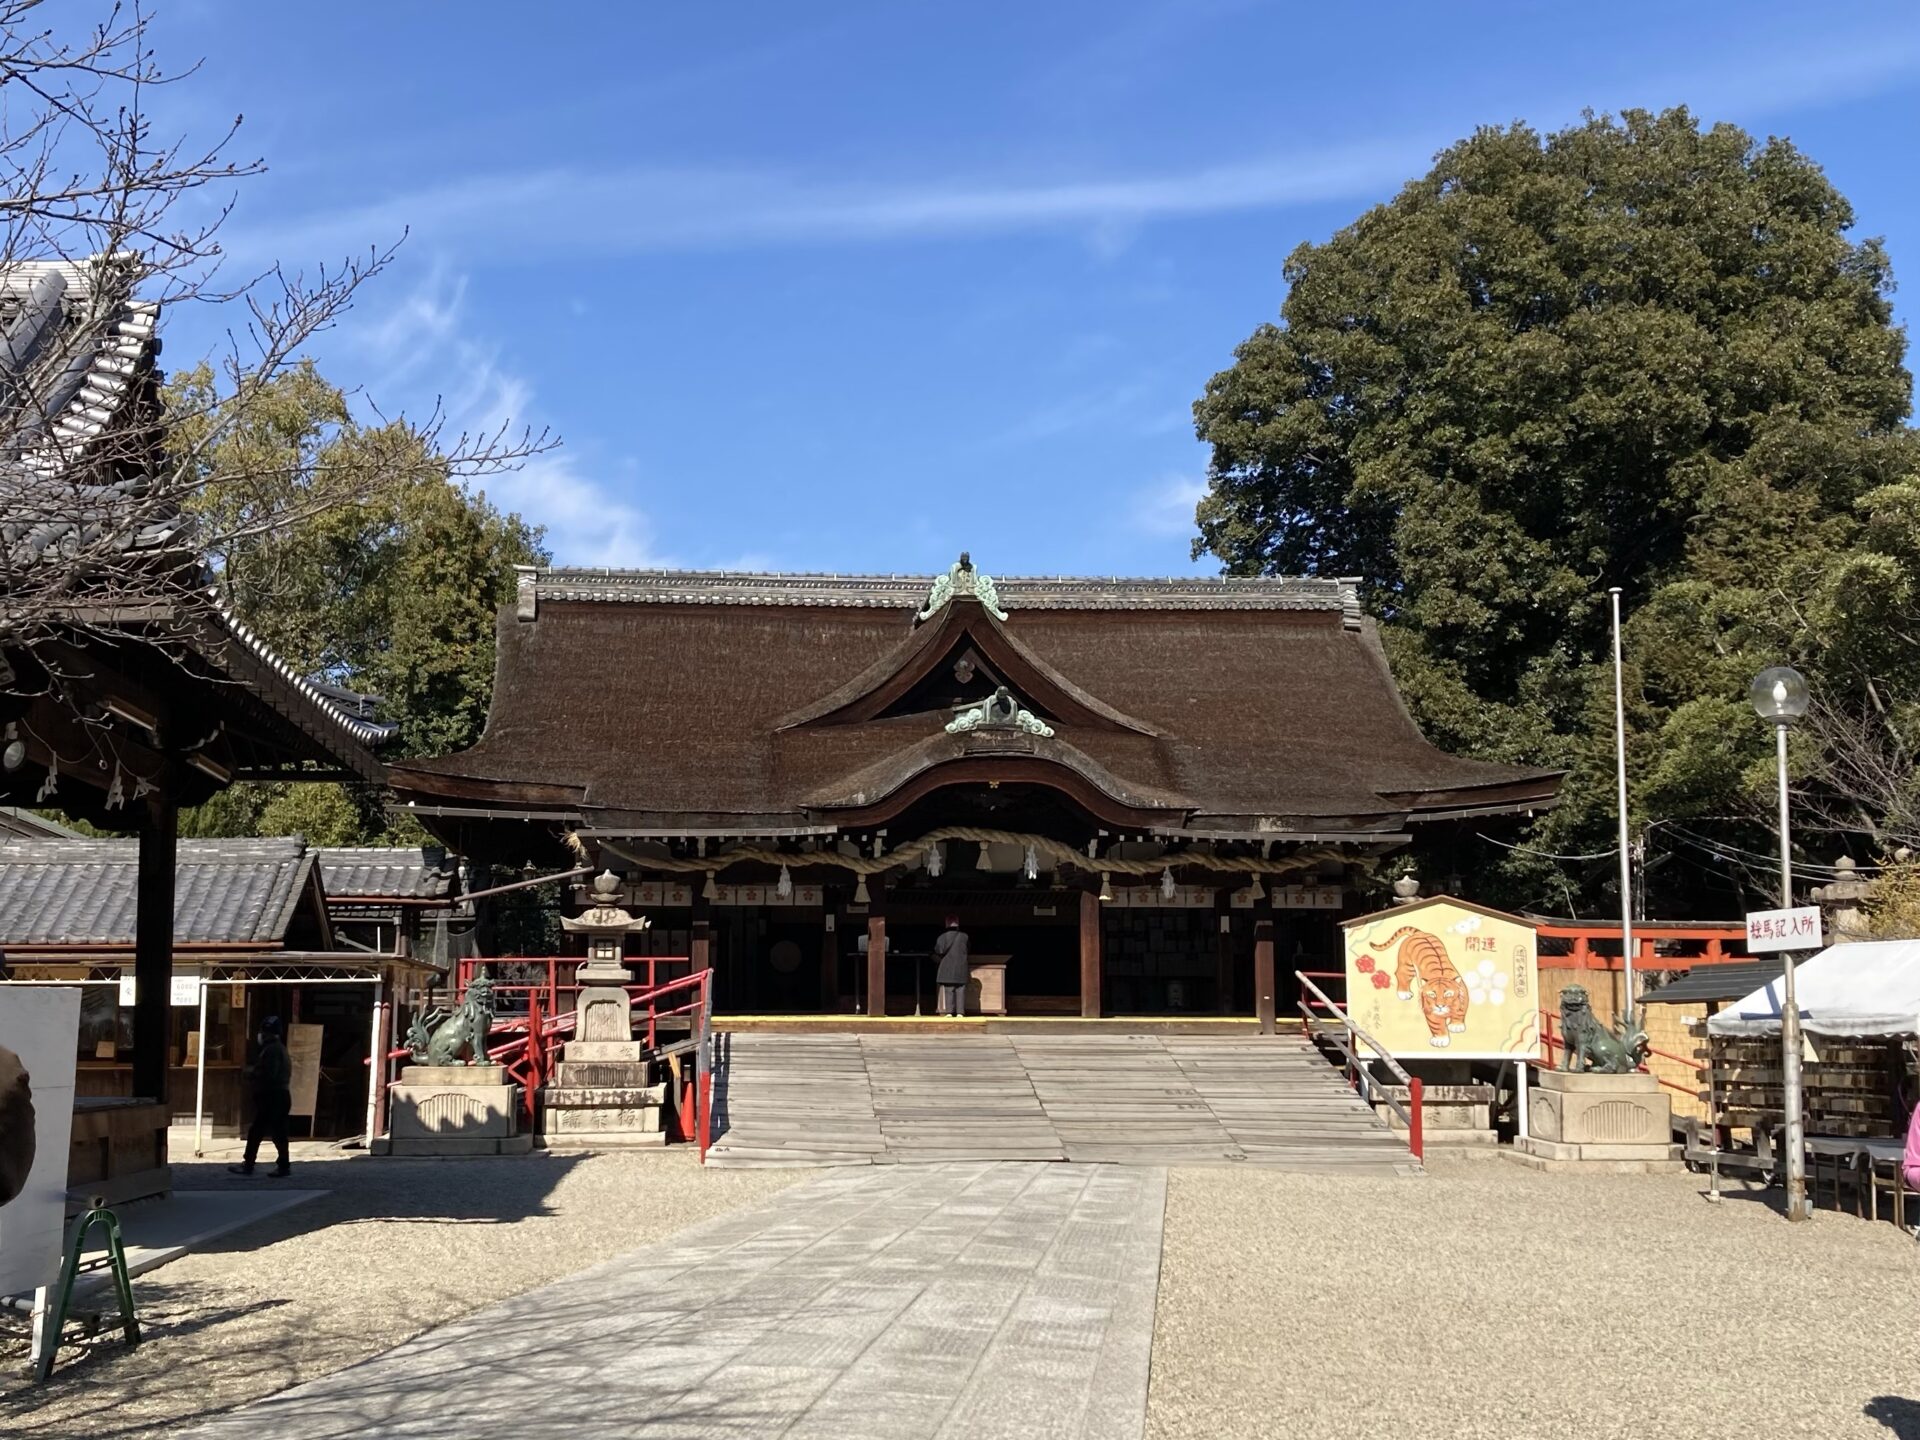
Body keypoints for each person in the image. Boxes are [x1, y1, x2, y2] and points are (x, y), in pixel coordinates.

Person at [230, 1015, 292, 1177]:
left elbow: (268, 1073)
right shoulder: (280, 1048)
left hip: (272, 1095)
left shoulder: (271, 1050)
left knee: (258, 1130)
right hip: (280, 1094)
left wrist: (251, 1073)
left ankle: (249, 1163)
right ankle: (283, 1165)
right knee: (278, 1132)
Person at [933, 915, 970, 1018]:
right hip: (961, 966)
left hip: (947, 966)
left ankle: (949, 1012)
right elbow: (968, 949)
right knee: (960, 989)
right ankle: (960, 1013)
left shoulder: (942, 937)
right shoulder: (965, 936)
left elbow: (938, 950)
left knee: (949, 989)